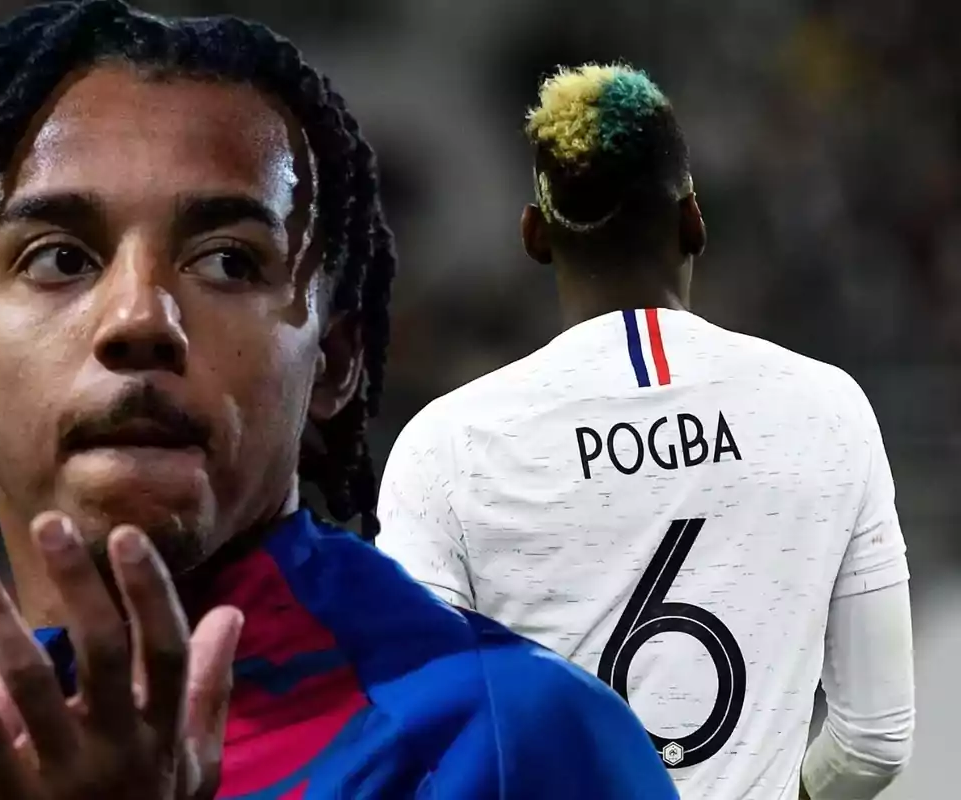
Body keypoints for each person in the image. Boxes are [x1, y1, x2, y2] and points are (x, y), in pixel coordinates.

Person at [0, 9, 678, 799]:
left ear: (334, 361)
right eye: (58, 258)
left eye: (228, 261)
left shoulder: (509, 739)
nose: (140, 319)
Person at [376, 63, 915, 800]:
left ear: (534, 234)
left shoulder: (445, 446)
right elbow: (873, 742)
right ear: (693, 220)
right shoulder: (828, 409)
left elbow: (415, 743)